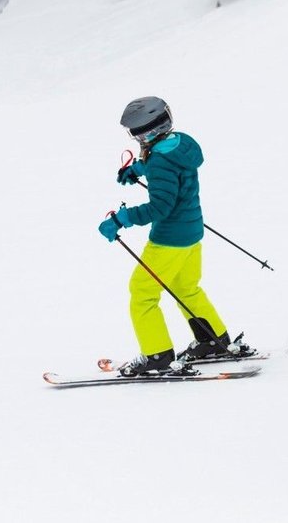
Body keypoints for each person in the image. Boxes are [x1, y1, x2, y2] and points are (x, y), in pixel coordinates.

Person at [98, 96, 250, 377]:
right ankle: (212, 341)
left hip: (169, 240)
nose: (134, 138)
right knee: (186, 288)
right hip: (192, 232)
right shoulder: (180, 144)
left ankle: (157, 355)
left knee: (142, 292)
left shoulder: (159, 161)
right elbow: (167, 163)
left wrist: (123, 218)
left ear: (148, 131)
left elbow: (160, 207)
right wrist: (138, 169)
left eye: (134, 132)